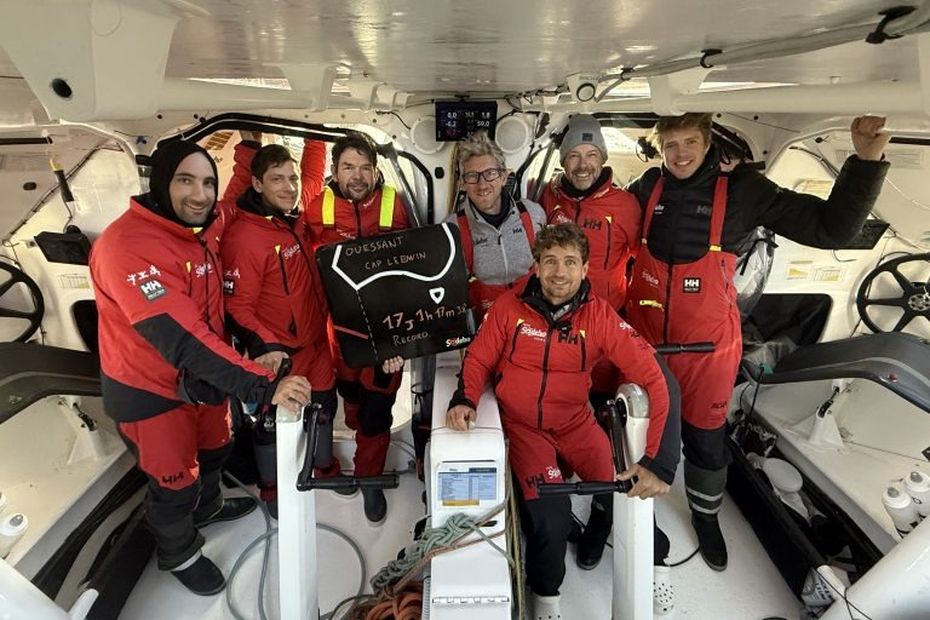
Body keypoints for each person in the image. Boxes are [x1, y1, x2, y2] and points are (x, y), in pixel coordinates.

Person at [625, 113, 891, 571]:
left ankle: (706, 517)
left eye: (690, 141)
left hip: (708, 350)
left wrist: (865, 161)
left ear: (707, 143)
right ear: (659, 148)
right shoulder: (648, 188)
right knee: (637, 430)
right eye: (670, 144)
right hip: (645, 345)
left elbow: (831, 229)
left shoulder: (745, 192)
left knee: (706, 442)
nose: (680, 154)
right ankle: (634, 513)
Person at [90, 141, 312, 595]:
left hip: (203, 384)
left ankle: (208, 507)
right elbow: (185, 339)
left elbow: (234, 199)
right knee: (173, 483)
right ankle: (179, 552)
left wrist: (249, 148)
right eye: (185, 181)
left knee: (216, 448)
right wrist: (265, 384)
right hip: (150, 392)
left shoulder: (207, 223)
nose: (200, 194)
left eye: (207, 181)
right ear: (160, 182)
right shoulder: (126, 248)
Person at [446, 223, 678, 620]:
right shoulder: (509, 306)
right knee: (551, 517)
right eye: (550, 261)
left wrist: (658, 461)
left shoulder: (600, 317)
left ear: (586, 269)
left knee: (626, 490)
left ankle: (656, 562)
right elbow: (480, 358)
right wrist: (465, 397)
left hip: (575, 421)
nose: (559, 272)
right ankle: (547, 595)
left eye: (570, 262)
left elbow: (655, 378)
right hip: (523, 428)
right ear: (535, 266)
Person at [540, 114, 645, 569]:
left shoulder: (627, 206)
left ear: (602, 158)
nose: (582, 165)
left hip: (604, 339)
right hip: (558, 335)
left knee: (607, 433)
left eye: (591, 155)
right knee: (559, 419)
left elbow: (645, 264)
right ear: (563, 161)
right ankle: (558, 507)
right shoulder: (547, 198)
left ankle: (602, 516)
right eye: (573, 157)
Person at [219, 133, 335, 518]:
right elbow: (237, 305)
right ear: (256, 185)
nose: (289, 187)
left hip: (317, 344)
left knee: (324, 407)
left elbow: (313, 177)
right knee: (272, 426)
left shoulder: (295, 219)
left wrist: (315, 135)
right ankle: (272, 491)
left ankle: (324, 469)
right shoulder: (246, 236)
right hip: (280, 357)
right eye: (277, 179)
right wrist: (266, 349)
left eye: (291, 178)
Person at [304, 131, 408, 523]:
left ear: (376, 169)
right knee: (350, 395)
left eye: (366, 167)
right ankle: (352, 423)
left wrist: (404, 336)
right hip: (338, 331)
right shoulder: (315, 210)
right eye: (349, 166)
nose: (358, 175)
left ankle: (369, 480)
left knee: (376, 411)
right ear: (335, 170)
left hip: (386, 333)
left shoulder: (397, 205)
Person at [443, 131, 546, 321]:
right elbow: (448, 292)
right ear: (463, 183)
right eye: (473, 176)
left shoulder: (533, 214)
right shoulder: (451, 229)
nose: (482, 185)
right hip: (484, 325)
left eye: (490, 174)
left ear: (503, 177)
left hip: (532, 319)